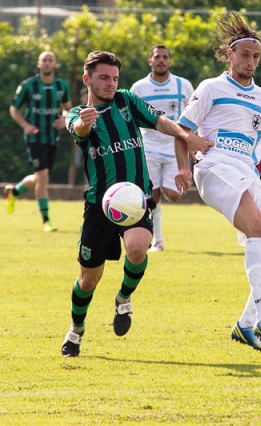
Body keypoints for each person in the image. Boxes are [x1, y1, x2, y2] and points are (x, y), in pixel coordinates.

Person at [61, 51, 212, 357]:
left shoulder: (127, 101)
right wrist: (83, 123)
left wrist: (186, 136)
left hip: (136, 197)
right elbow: (78, 128)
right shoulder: (78, 113)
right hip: (100, 205)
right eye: (104, 78)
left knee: (138, 248)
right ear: (87, 79)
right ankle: (76, 330)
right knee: (88, 280)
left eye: (115, 78)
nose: (111, 84)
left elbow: (160, 121)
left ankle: (123, 299)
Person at [174, 12, 261, 355]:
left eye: (256, 56)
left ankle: (245, 325)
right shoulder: (211, 88)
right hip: (215, 167)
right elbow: (182, 129)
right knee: (257, 229)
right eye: (245, 54)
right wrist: (183, 166)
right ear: (229, 55)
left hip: (246, 172)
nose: (251, 61)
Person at [130, 44, 195, 252]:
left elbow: (195, 114)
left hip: (175, 147)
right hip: (148, 147)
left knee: (174, 194)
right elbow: (130, 118)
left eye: (165, 57)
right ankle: (157, 240)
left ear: (170, 61)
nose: (161, 60)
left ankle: (156, 238)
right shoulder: (138, 88)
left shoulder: (182, 85)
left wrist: (193, 143)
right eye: (157, 56)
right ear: (150, 61)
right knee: (152, 196)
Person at [5, 51, 72, 232]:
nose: (47, 63)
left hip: (52, 137)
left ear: (55, 64)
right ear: (39, 64)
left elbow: (68, 108)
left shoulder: (62, 85)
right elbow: (14, 109)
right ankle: (46, 220)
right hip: (34, 137)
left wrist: (65, 119)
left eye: (51, 60)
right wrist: (25, 126)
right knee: (43, 177)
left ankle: (14, 192)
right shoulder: (28, 85)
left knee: (40, 178)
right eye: (44, 60)